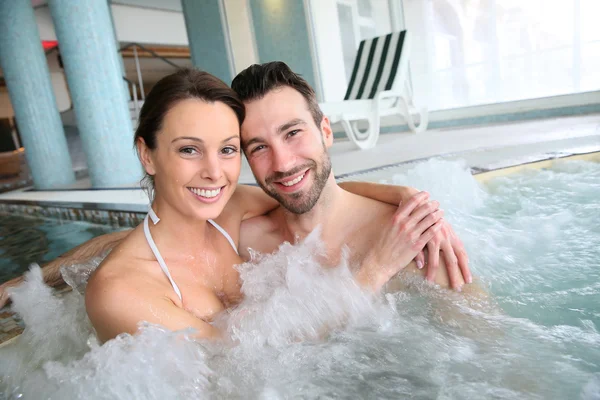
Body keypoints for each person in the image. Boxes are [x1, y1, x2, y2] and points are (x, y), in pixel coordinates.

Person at [0, 67, 471, 342]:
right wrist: (371, 273)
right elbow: (238, 366)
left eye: (227, 150)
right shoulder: (119, 291)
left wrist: (408, 198)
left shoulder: (226, 212)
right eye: (188, 149)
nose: (214, 172)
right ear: (147, 153)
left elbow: (312, 193)